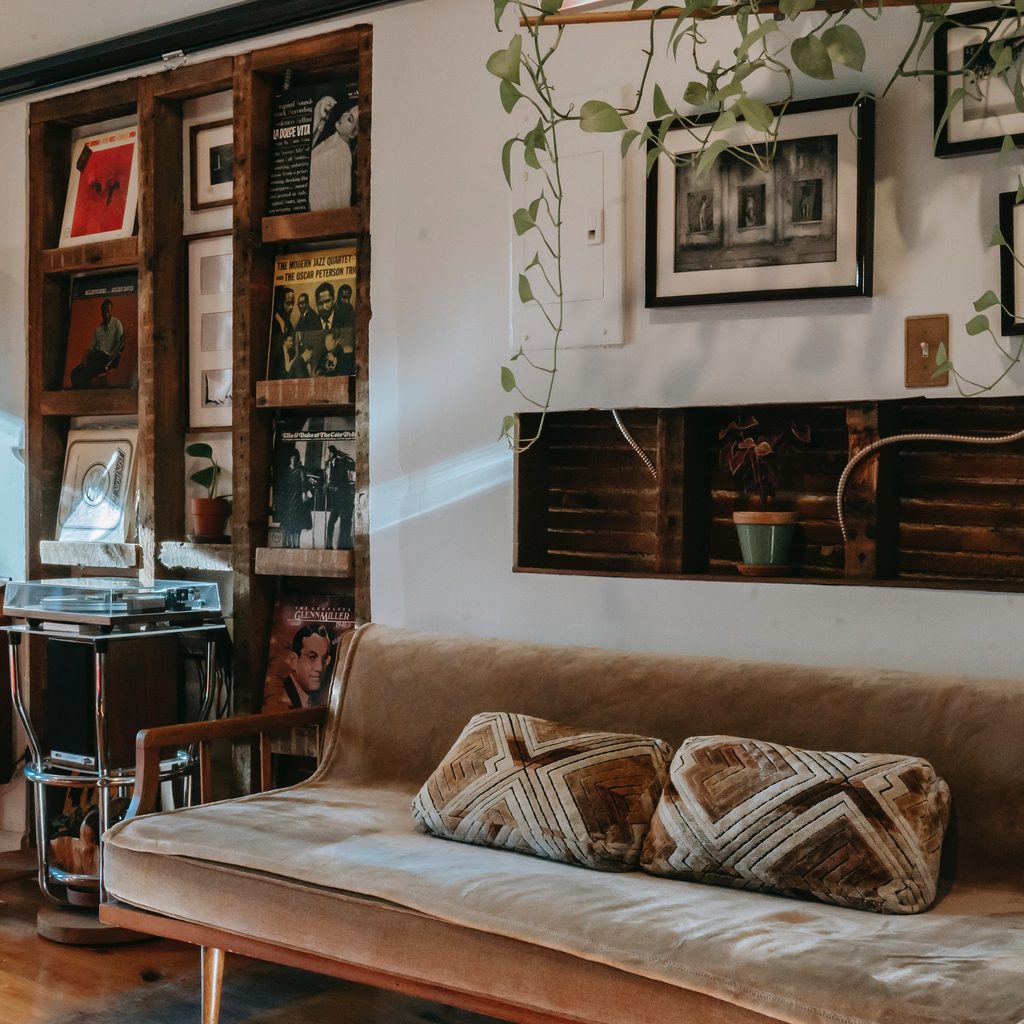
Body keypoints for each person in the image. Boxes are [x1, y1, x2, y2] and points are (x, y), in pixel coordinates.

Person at [309, 99, 358, 211]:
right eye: (347, 111)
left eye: (350, 119)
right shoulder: (335, 139)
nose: (344, 115)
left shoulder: (340, 155)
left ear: (353, 134)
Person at [70, 298, 126, 388]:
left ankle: (84, 391)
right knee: (75, 373)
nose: (106, 314)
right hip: (96, 356)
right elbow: (91, 347)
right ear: (101, 313)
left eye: (108, 311)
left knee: (87, 372)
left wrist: (110, 359)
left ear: (112, 311)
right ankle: (80, 394)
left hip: (108, 358)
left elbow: (120, 343)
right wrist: (84, 359)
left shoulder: (117, 324)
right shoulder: (98, 329)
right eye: (104, 312)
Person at [281, 624, 334, 708]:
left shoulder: (307, 698)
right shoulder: (282, 698)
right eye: (312, 657)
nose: (319, 668)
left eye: (324, 658)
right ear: (293, 660)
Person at [276, 449, 312, 548]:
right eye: (292, 457)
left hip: (297, 500)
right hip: (286, 501)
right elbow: (281, 487)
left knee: (296, 525)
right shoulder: (285, 471)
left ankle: (295, 546)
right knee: (286, 525)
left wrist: (304, 493)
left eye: (295, 458)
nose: (293, 460)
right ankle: (287, 546)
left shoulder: (301, 470)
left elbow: (305, 484)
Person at [324, 444, 355, 549]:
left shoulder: (341, 462)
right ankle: (328, 545)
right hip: (335, 499)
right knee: (331, 522)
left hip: (342, 498)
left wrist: (333, 485)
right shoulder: (329, 465)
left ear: (331, 454)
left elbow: (341, 479)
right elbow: (328, 479)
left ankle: (341, 545)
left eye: (327, 453)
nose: (325, 455)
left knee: (342, 523)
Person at [268, 286, 295, 379]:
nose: (291, 307)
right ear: (280, 304)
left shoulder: (290, 326)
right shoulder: (273, 323)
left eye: (293, 304)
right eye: (288, 303)